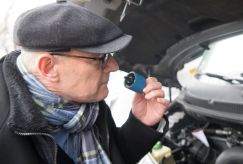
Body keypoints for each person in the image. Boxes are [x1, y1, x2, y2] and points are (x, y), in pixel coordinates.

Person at [0, 1, 169, 164]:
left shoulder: (85, 102)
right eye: (100, 58)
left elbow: (114, 156)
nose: (114, 66)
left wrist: (141, 124)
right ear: (48, 67)